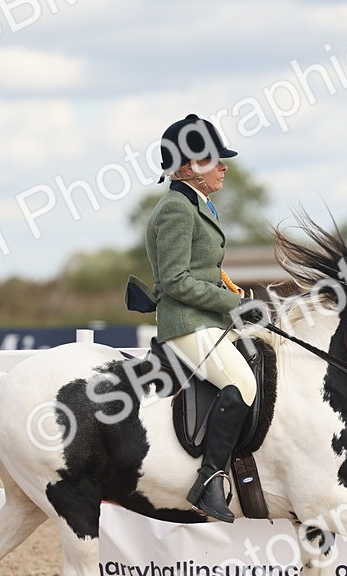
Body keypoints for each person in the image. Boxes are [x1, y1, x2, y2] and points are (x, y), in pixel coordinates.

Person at [141, 114, 262, 523]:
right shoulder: (176, 209)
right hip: (186, 323)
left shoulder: (197, 204)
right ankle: (208, 480)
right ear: (190, 166)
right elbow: (176, 280)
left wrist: (238, 297)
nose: (224, 166)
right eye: (214, 159)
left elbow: (206, 271)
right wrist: (232, 304)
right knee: (241, 383)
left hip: (207, 319)